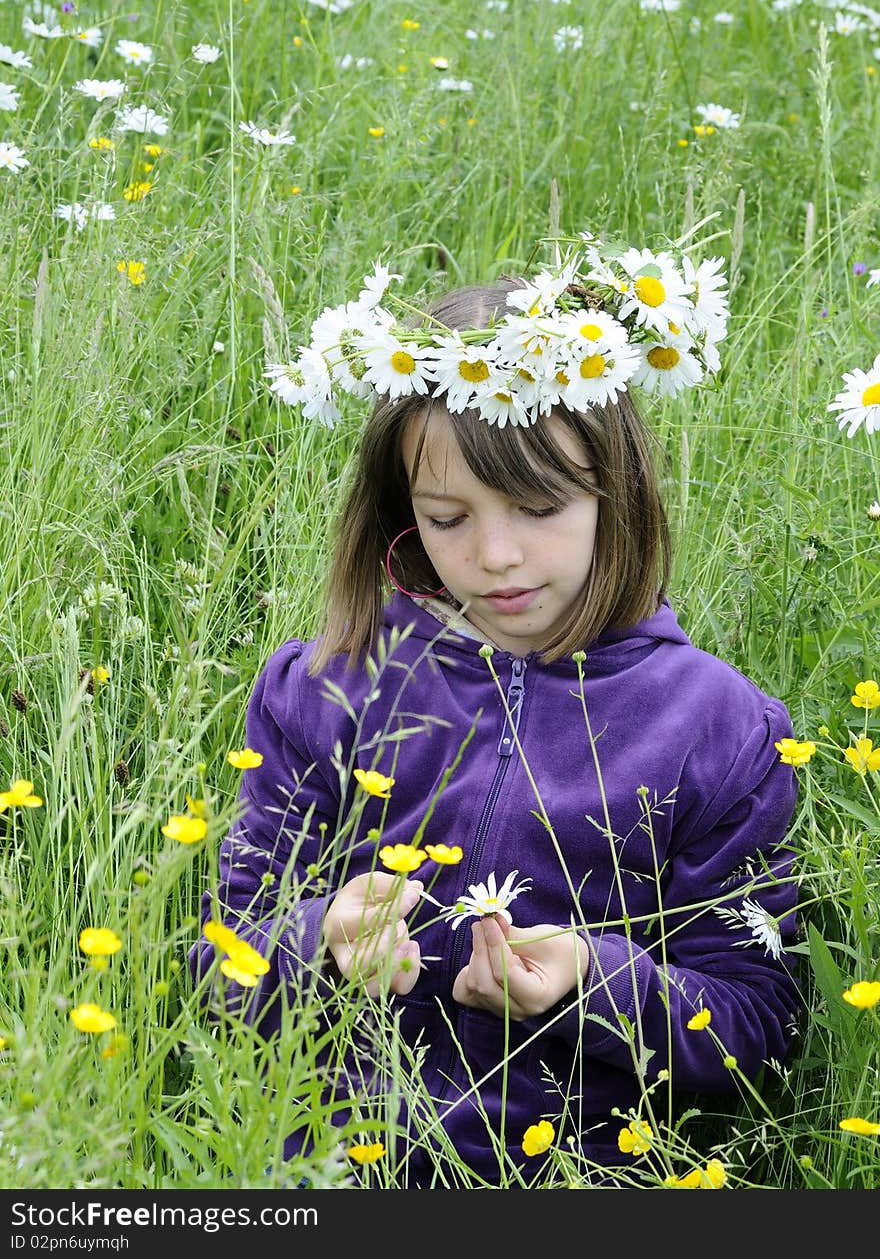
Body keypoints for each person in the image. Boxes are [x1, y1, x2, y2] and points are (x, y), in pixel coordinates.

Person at [188, 240, 801, 1188]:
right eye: (448, 517)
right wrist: (316, 941)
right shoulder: (329, 684)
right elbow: (213, 966)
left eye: (538, 504)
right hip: (318, 1166)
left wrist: (594, 982)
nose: (498, 556)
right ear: (401, 513)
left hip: (582, 1171)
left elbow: (763, 1021)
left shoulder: (718, 727)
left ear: (618, 487)